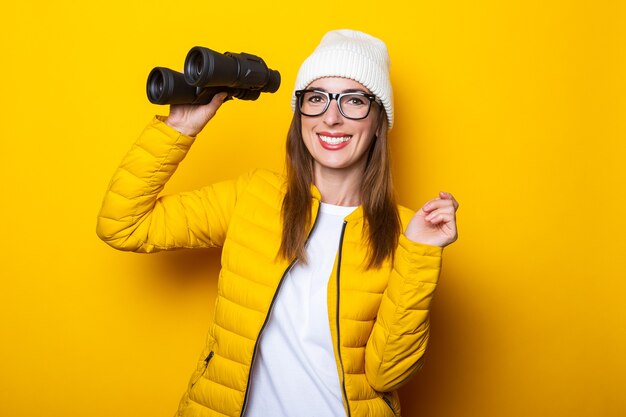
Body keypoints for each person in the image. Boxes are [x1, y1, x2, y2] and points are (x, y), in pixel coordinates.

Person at [97, 29, 459, 417]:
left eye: (353, 101)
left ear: (377, 121)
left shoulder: (407, 232)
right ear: (299, 114)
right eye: (316, 99)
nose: (331, 118)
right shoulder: (255, 196)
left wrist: (420, 254)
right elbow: (123, 224)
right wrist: (180, 127)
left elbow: (388, 374)